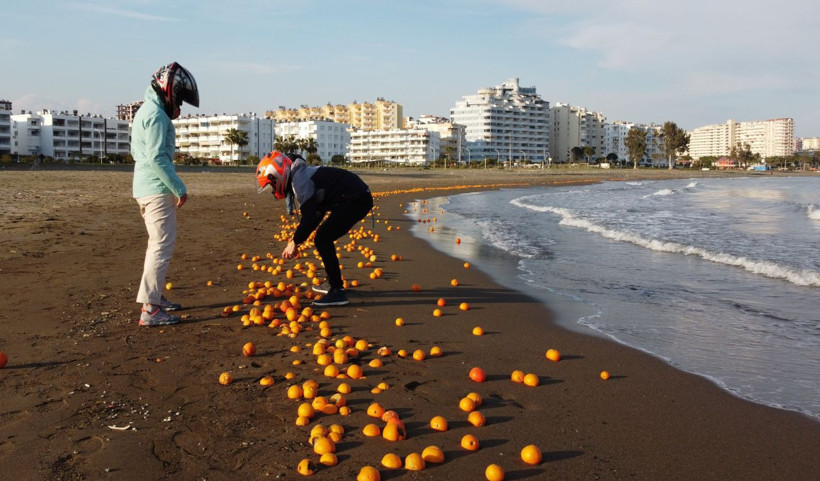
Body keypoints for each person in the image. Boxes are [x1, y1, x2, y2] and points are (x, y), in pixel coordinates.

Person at [256, 151, 373, 306]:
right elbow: (317, 212)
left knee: (323, 239)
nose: (273, 190)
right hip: (356, 198)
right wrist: (297, 240)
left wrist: (295, 242)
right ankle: (333, 283)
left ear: (277, 175)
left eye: (271, 185)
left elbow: (310, 218)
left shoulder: (300, 180)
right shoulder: (300, 175)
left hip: (356, 200)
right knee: (322, 237)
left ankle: (337, 291)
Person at [131, 62, 199, 326]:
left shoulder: (145, 111)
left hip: (145, 186)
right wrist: (178, 188)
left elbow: (141, 154)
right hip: (156, 190)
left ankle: (155, 298)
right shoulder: (157, 116)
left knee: (157, 245)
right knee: (160, 247)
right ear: (169, 89)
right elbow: (158, 157)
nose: (179, 104)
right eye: (179, 97)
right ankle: (150, 308)